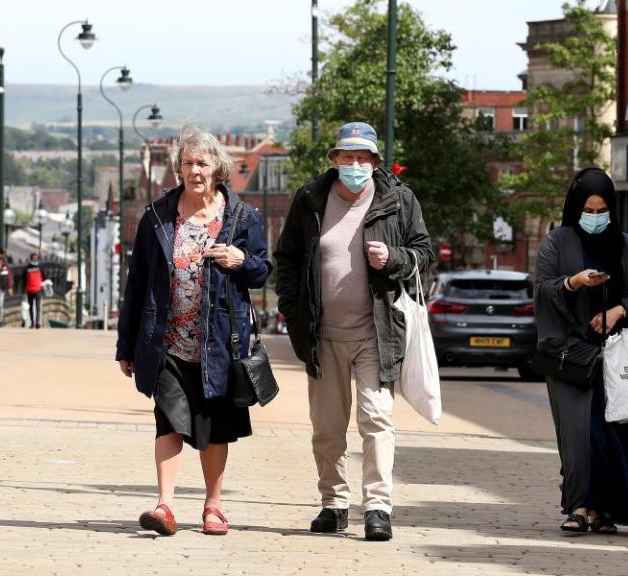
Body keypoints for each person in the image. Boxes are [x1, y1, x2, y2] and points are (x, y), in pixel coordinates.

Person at [274, 121, 433, 541]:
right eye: (348, 157)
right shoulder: (310, 199)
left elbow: (424, 253)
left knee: (376, 419)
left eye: (363, 158)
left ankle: (378, 507)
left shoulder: (399, 200)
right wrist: (292, 312)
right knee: (326, 426)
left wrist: (394, 258)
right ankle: (334, 503)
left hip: (376, 332)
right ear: (335, 160)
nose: (355, 165)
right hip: (322, 334)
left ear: (376, 162)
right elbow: (287, 259)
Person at [116, 125, 272, 536]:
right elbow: (136, 284)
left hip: (220, 341)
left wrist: (240, 260)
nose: (195, 170)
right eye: (187, 163)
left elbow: (262, 271)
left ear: (217, 168)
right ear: (178, 168)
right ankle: (165, 505)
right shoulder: (157, 218)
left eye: (202, 162)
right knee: (168, 419)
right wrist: (126, 344)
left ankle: (213, 506)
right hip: (166, 340)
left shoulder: (242, 218)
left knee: (215, 425)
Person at [534, 167, 628, 534]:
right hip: (569, 356)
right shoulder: (557, 242)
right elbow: (542, 288)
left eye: (601, 210)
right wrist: (571, 283)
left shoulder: (626, 245)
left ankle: (602, 509)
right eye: (588, 210)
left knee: (611, 435)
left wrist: (618, 309)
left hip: (614, 358)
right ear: (576, 207)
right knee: (577, 435)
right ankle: (577, 506)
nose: (595, 217)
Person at [23, 253, 46, 329]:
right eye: (33, 258)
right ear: (31, 258)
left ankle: (37, 322)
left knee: (38, 306)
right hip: (29, 290)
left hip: (38, 289)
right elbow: (24, 280)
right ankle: (32, 322)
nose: (34, 259)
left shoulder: (40, 267)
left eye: (36, 258)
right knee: (31, 307)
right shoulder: (26, 268)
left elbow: (44, 277)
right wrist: (24, 289)